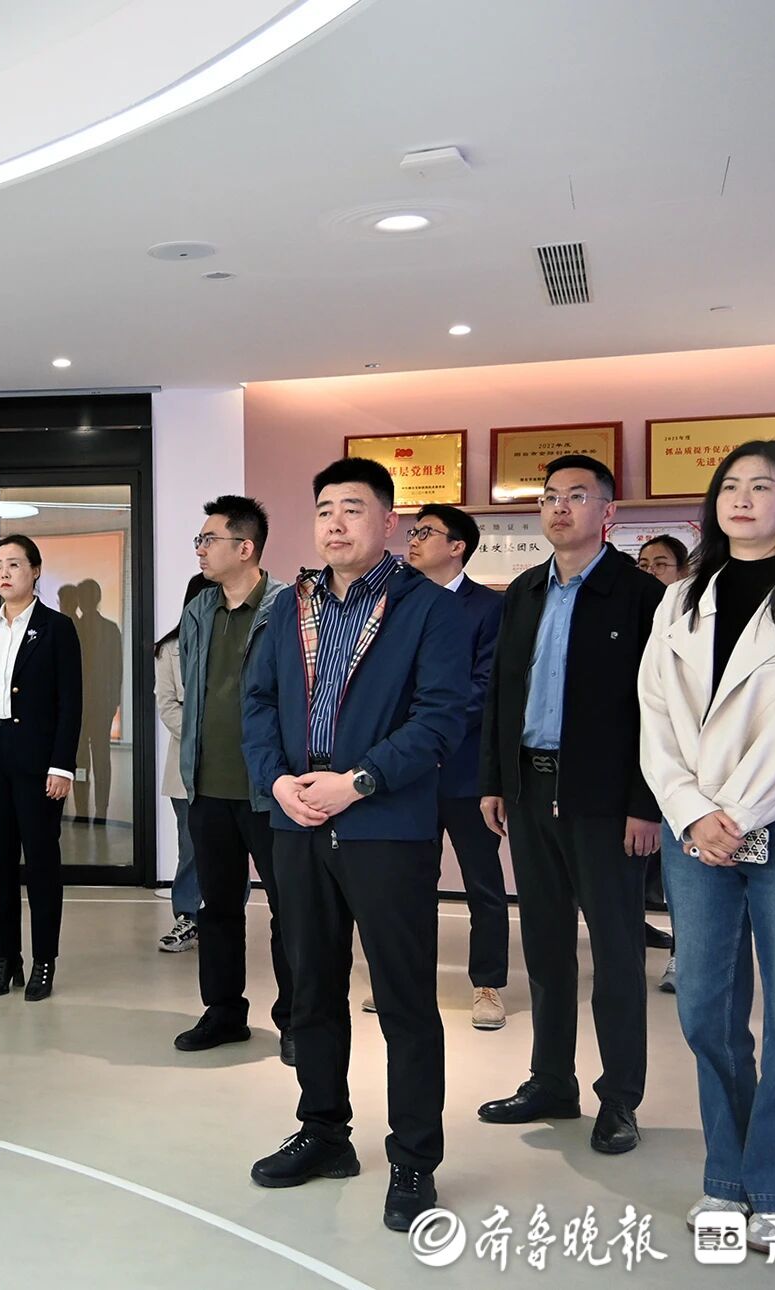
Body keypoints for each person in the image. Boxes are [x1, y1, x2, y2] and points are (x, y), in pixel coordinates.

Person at [639, 442, 775, 1258]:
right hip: (694, 829)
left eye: (760, 486)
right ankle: (727, 1176)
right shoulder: (680, 599)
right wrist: (691, 812)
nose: (740, 498)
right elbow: (653, 714)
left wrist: (734, 812)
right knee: (704, 1009)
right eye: (728, 485)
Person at [241, 458, 468, 1233]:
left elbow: (440, 719)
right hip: (296, 821)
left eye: (352, 508)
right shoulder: (290, 606)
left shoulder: (427, 608)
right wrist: (276, 781)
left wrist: (358, 781)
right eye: (324, 510)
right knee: (309, 988)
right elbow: (258, 703)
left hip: (384, 826)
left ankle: (413, 1160)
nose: (334, 523)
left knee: (404, 999)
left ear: (388, 522)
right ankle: (323, 1131)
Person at [476, 455, 665, 1157]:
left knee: (616, 954)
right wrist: (495, 779)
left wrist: (645, 804)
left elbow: (659, 710)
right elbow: (501, 693)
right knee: (545, 946)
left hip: (606, 801)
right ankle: (550, 1080)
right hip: (530, 789)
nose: (559, 507)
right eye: (550, 497)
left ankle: (619, 1098)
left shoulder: (640, 596)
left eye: (577, 496)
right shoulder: (524, 591)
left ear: (607, 513)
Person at [173, 497, 296, 1063]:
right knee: (216, 908)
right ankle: (223, 1012)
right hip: (207, 786)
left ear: (245, 548)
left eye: (209, 539)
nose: (200, 550)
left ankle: (296, 1019)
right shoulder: (199, 608)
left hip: (271, 789)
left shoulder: (288, 607)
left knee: (289, 910)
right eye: (199, 540)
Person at [0, 535, 82, 1002]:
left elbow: (70, 702)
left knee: (41, 862)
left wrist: (62, 765)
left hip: (37, 759)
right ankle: (6, 958)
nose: (4, 573)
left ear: (35, 570)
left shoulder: (56, 628)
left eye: (14, 565)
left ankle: (45, 959)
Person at [402, 503, 510, 1031]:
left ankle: (488, 984)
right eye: (413, 530)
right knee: (408, 882)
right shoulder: (398, 601)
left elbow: (486, 686)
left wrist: (429, 731)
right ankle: (408, 981)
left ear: (457, 546)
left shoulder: (488, 607)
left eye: (426, 532)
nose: (413, 539)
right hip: (408, 772)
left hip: (465, 769)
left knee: (482, 883)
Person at [637, 533, 693, 992]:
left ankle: (683, 956)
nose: (650, 571)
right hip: (636, 760)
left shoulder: (690, 620)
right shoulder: (630, 613)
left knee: (682, 871)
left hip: (680, 768)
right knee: (631, 866)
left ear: (682, 572)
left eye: (660, 564)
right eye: (643, 564)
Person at [153, 574, 214, 952]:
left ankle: (225, 915)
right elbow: (167, 707)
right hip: (187, 765)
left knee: (232, 844)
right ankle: (188, 916)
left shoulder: (238, 640)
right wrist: (204, 738)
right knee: (191, 845)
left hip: (233, 767)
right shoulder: (169, 649)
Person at [71, 577, 122, 823]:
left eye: (89, 596)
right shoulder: (71, 628)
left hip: (100, 704)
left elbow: (116, 669)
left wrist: (113, 701)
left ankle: (101, 809)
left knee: (100, 758)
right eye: (83, 597)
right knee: (81, 758)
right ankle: (82, 810)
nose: (86, 601)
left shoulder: (110, 629)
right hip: (79, 705)